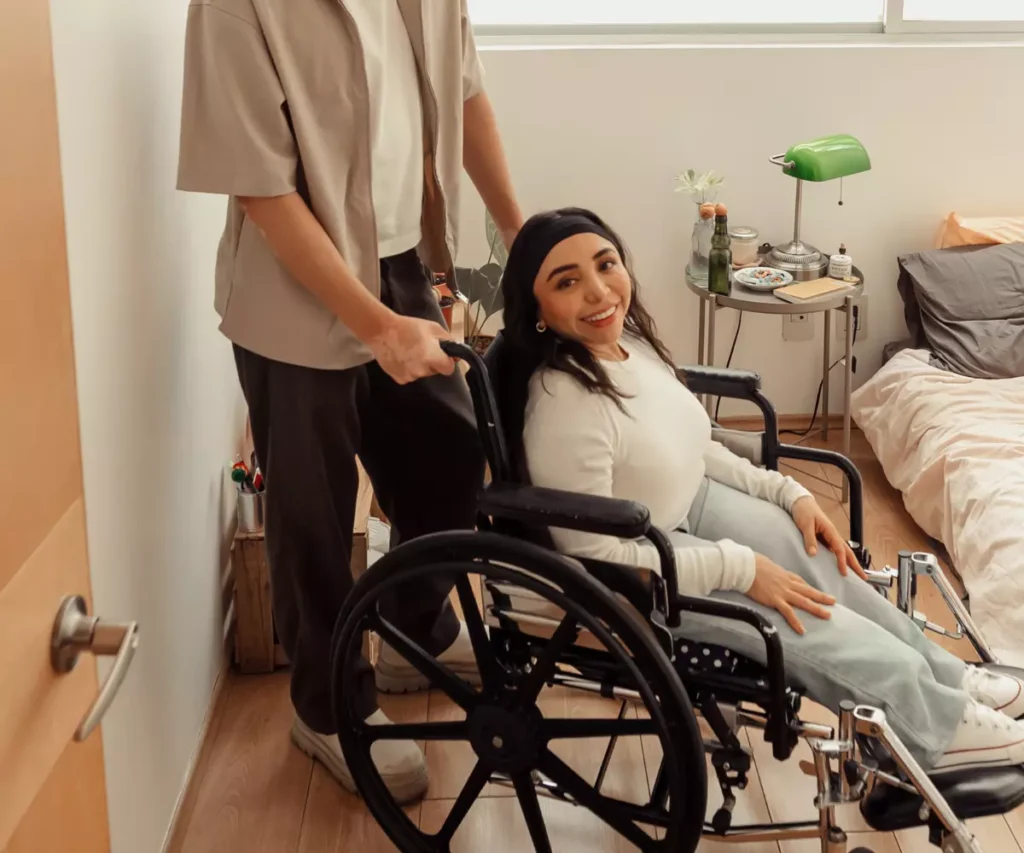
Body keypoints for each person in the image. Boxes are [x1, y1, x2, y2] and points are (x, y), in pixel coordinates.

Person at [495, 206, 1024, 775]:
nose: (599, 292)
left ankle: (944, 674)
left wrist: (786, 493)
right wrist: (740, 568)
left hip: (688, 503)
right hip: (646, 569)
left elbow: (696, 446)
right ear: (539, 310)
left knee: (822, 561)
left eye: (606, 265)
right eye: (567, 282)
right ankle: (936, 726)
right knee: (804, 611)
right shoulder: (561, 405)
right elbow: (592, 555)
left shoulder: (631, 349)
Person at [176, 0, 522, 804]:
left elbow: (464, 93)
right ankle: (327, 705)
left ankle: (411, 628)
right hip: (290, 288)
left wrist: (528, 238)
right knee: (314, 510)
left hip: (401, 257)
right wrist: (374, 326)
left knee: (451, 445)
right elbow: (262, 192)